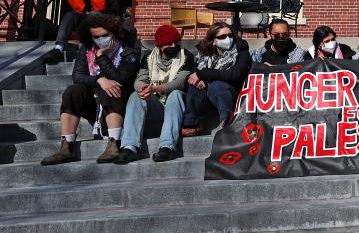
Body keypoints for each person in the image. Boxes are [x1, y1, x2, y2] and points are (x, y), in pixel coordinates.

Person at [41, 13, 141, 165]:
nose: (101, 39)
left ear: (115, 32)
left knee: (112, 86)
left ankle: (113, 143)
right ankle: (66, 146)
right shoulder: (87, 49)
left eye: (105, 35)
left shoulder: (128, 47)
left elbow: (122, 78)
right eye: (96, 37)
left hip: (119, 102)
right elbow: (78, 76)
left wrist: (101, 56)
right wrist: (99, 79)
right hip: (93, 101)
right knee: (72, 91)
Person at [115, 24, 195, 164]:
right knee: (136, 95)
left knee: (176, 94)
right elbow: (140, 79)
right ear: (160, 45)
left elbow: (180, 82)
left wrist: (155, 89)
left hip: (175, 106)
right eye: (169, 43)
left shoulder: (186, 55)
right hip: (156, 105)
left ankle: (167, 147)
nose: (174, 45)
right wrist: (144, 88)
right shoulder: (148, 58)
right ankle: (129, 147)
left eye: (176, 42)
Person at [181, 22, 252, 137]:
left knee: (217, 85)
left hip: (231, 94)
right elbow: (192, 77)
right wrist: (200, 79)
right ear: (213, 41)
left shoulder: (241, 49)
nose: (228, 39)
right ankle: (192, 124)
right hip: (207, 97)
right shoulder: (203, 53)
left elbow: (234, 74)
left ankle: (227, 122)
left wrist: (204, 74)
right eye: (222, 37)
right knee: (195, 85)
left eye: (230, 35)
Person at [44, 0, 121, 64]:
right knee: (69, 15)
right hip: (81, 23)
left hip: (102, 21)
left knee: (93, 15)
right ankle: (58, 49)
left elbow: (114, 11)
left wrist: (94, 14)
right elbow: (66, 14)